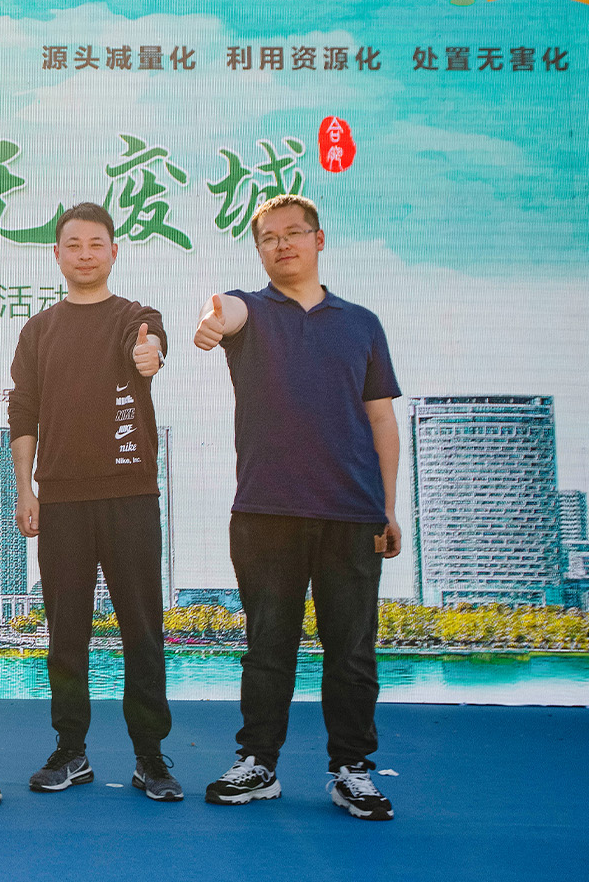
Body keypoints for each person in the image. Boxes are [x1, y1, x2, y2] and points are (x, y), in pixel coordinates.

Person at [192, 193, 402, 822]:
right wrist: (212, 319)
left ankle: (352, 770)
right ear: (259, 250)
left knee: (352, 651)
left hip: (352, 512)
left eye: (293, 233)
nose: (281, 244)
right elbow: (224, 310)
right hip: (266, 510)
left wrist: (388, 508)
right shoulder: (251, 311)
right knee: (267, 646)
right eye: (268, 238)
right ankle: (258, 763)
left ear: (318, 239)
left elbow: (381, 418)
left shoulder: (361, 324)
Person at [6, 202, 179, 802]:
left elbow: (152, 345)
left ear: (113, 252)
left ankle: (150, 756)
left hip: (130, 495)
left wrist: (150, 354)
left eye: (95, 244)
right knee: (66, 633)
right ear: (57, 255)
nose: (84, 254)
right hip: (61, 501)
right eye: (73, 245)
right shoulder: (39, 330)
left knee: (142, 630)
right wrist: (25, 488)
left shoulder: (136, 318)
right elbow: (23, 411)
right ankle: (70, 750)